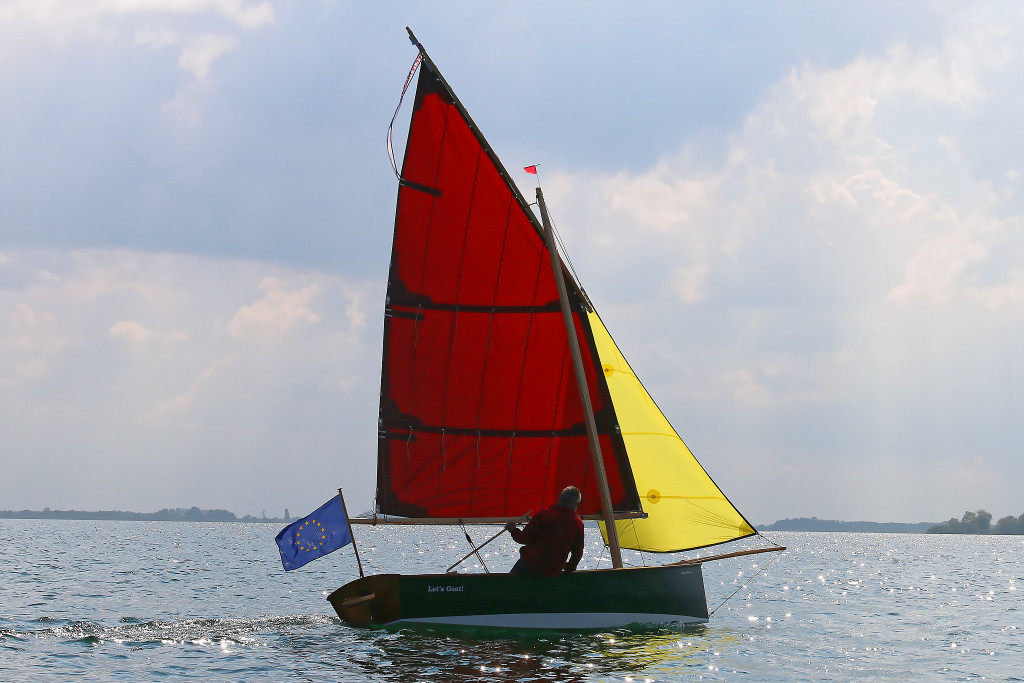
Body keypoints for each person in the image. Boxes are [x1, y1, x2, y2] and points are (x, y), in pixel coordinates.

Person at [505, 486, 584, 577]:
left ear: (560, 501)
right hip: (553, 571)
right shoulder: (578, 524)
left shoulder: (544, 515)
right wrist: (570, 568)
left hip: (530, 565)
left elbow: (523, 538)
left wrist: (513, 530)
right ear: (574, 505)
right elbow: (577, 552)